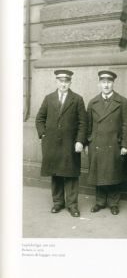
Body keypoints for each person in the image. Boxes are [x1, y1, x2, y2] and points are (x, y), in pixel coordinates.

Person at [35, 69, 87, 217]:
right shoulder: (49, 98)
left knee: (71, 174)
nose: (63, 84)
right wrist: (43, 134)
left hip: (70, 144)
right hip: (52, 144)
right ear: (56, 82)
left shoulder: (77, 99)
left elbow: (83, 123)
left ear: (70, 82)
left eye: (66, 81)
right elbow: (40, 118)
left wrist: (79, 141)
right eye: (61, 81)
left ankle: (72, 205)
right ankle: (58, 203)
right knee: (55, 173)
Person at [86, 70, 127, 215]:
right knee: (99, 173)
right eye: (103, 82)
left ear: (113, 83)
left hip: (114, 143)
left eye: (109, 82)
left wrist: (125, 144)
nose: (106, 85)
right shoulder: (93, 102)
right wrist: (88, 142)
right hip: (97, 144)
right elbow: (88, 125)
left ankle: (113, 203)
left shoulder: (122, 101)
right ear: (99, 83)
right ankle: (100, 202)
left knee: (113, 173)